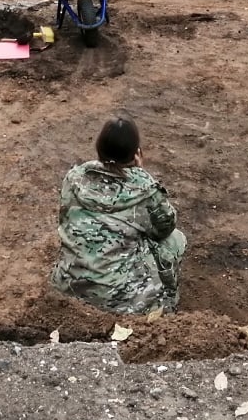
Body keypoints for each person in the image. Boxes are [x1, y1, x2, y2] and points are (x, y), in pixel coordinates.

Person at [51, 117, 185, 316]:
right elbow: (166, 226)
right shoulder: (145, 189)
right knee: (175, 240)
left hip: (68, 288)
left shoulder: (74, 178)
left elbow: (64, 218)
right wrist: (139, 174)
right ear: (136, 153)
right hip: (122, 303)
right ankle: (167, 305)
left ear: (99, 148)